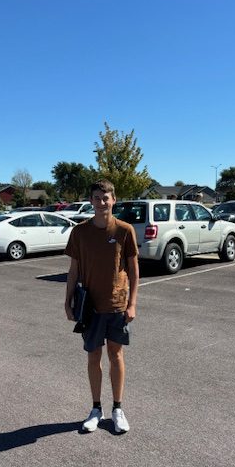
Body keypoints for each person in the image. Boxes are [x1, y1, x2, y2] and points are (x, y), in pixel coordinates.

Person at [64, 179, 139, 434]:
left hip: (117, 305)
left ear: (113, 200)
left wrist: (132, 303)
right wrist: (67, 301)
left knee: (116, 355)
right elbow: (73, 269)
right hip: (90, 307)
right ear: (91, 201)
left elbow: (133, 269)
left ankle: (118, 408)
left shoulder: (124, 230)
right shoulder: (80, 232)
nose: (101, 202)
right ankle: (96, 409)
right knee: (93, 356)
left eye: (106, 198)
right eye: (97, 198)